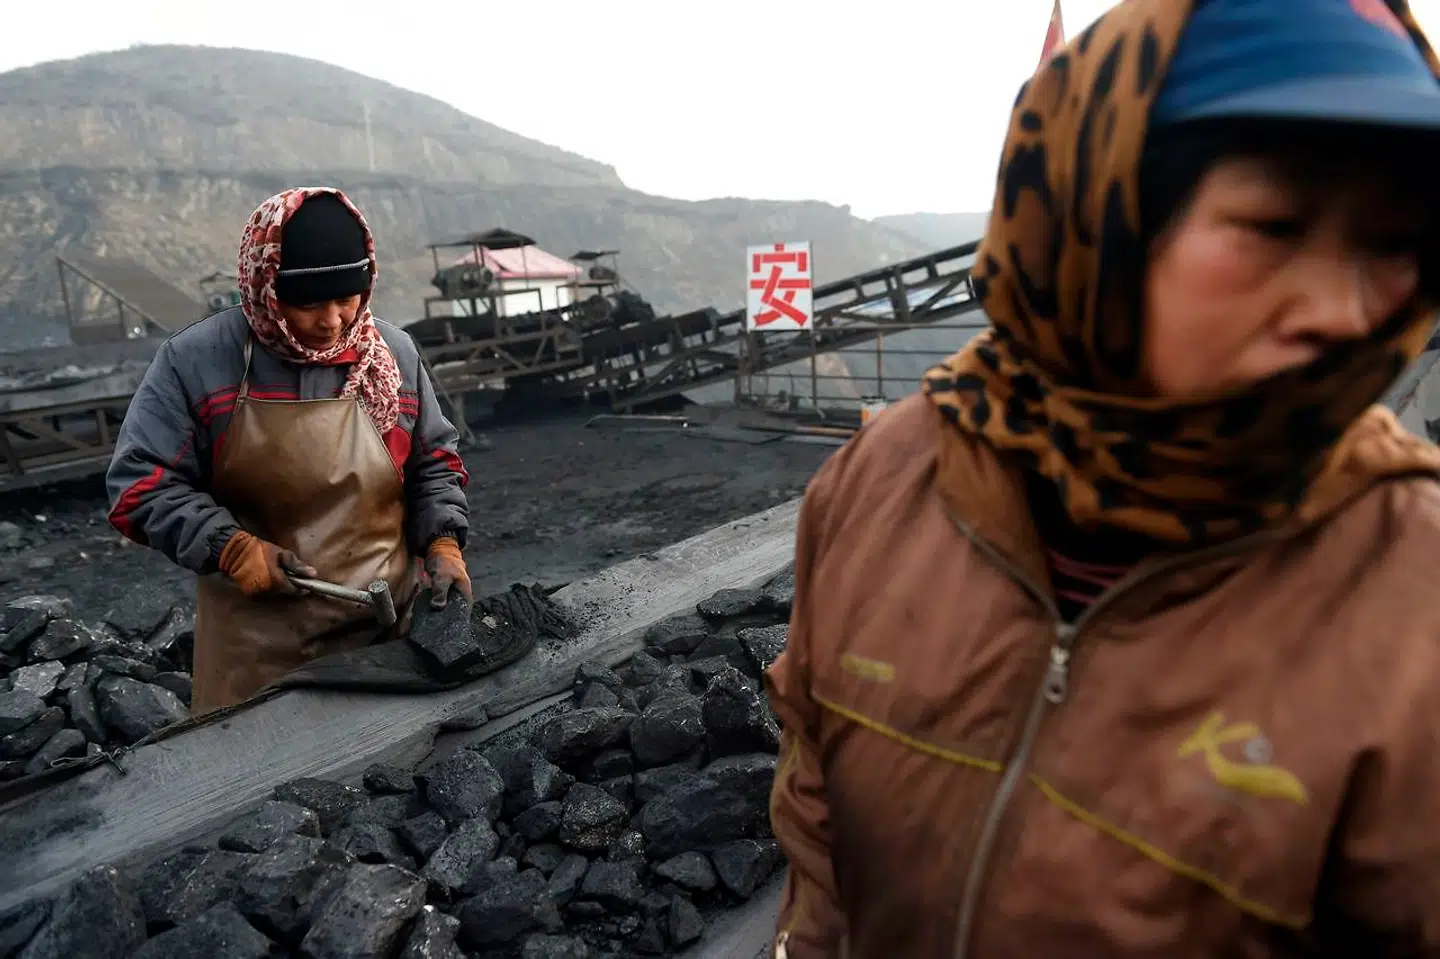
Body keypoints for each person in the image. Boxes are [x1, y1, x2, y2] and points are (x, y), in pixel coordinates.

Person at [766, 0, 1440, 955]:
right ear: (1102, 222)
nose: (1344, 309)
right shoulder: (883, 483)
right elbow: (817, 800)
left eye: (1392, 245)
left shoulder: (1412, 593)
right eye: (1272, 223)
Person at [106, 188, 473, 715]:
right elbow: (139, 486)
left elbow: (433, 462)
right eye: (308, 303)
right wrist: (229, 548)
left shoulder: (393, 355)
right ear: (265, 287)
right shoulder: (196, 363)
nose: (333, 322)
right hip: (259, 657)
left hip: (388, 641)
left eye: (348, 298)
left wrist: (442, 542)